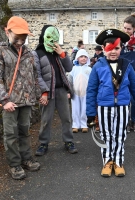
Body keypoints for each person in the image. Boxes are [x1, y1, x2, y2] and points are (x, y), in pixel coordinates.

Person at [86, 29, 135, 177]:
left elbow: (134, 87)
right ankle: (107, 161)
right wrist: (90, 113)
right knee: (106, 135)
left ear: (121, 49)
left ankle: (118, 161)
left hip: (122, 106)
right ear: (103, 49)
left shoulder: (127, 65)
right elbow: (91, 90)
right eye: (109, 48)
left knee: (120, 135)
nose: (113, 51)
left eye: (116, 48)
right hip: (104, 107)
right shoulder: (98, 66)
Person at [0, 16, 43, 180]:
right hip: (10, 102)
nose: (20, 41)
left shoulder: (28, 53)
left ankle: (26, 159)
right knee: (11, 134)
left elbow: (34, 75)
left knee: (24, 132)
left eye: (23, 38)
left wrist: (38, 94)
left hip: (26, 100)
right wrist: (4, 100)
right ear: (7, 31)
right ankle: (14, 164)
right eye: (17, 37)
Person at [33, 25, 78, 156]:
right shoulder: (37, 53)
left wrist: (62, 54)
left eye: (55, 37)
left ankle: (69, 141)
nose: (52, 40)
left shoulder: (59, 53)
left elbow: (69, 68)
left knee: (66, 118)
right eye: (49, 37)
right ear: (43, 37)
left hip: (61, 90)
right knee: (46, 119)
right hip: (47, 92)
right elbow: (37, 74)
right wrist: (44, 92)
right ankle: (43, 143)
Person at [68, 49, 92, 133]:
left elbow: (92, 81)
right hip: (75, 92)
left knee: (84, 109)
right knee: (75, 109)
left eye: (85, 57)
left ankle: (84, 124)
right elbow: (69, 81)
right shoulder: (73, 69)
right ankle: (75, 125)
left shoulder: (89, 69)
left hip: (86, 93)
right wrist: (68, 91)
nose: (83, 58)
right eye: (81, 56)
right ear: (77, 58)